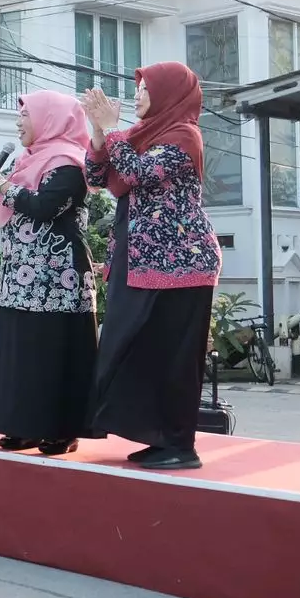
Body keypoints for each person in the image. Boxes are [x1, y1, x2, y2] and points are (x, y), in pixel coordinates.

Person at [83, 64, 220, 470]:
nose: (138, 95)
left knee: (174, 358)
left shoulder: (183, 135)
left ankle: (180, 444)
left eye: (146, 89)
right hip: (139, 261)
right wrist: (97, 132)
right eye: (138, 88)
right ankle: (157, 437)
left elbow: (139, 173)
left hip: (181, 265)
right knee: (136, 351)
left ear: (169, 94)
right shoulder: (141, 137)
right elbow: (96, 176)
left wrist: (112, 130)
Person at [0, 90, 99, 457]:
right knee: (23, 354)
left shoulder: (69, 162)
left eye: (25, 115)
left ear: (50, 118)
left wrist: (0, 184)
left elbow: (45, 206)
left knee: (52, 354)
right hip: (21, 278)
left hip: (58, 278)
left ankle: (61, 429)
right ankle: (24, 425)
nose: (19, 122)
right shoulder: (27, 162)